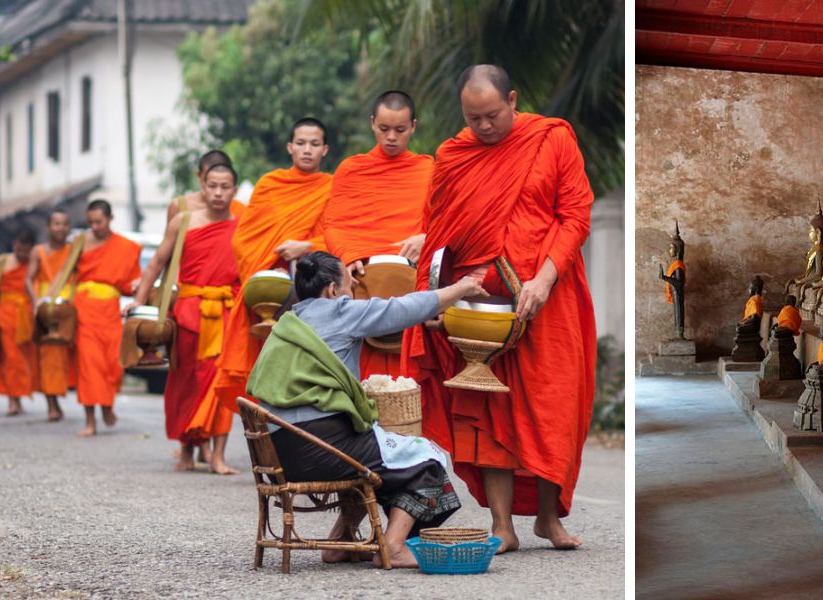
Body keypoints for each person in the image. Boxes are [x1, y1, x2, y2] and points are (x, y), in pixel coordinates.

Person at [406, 64, 597, 553]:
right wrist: (433, 295)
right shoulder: (453, 155)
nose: (484, 127)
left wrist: (544, 278)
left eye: (492, 115)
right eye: (474, 119)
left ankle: (549, 519)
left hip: (549, 296)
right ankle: (502, 525)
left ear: (512, 99)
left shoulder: (551, 139)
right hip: (477, 306)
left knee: (555, 400)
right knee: (486, 406)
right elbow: (439, 232)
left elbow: (574, 215)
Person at [246, 251, 488, 568]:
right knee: (426, 458)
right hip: (321, 448)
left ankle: (340, 541)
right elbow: (402, 309)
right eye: (349, 287)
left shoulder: (286, 323)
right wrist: (462, 287)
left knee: (369, 450)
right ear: (332, 292)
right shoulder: (341, 312)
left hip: (280, 453)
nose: (352, 294)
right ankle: (394, 546)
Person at [186, 117, 335, 450]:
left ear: (324, 149)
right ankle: (270, 446)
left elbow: (343, 235)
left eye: (314, 144)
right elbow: (246, 240)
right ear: (290, 147)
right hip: (275, 294)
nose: (307, 150)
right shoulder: (270, 185)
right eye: (301, 143)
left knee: (307, 372)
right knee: (269, 370)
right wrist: (272, 264)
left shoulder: (333, 186)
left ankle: (310, 445)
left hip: (318, 296)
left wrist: (306, 245)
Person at [322, 91, 434, 378]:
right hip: (364, 284)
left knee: (412, 380)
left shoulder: (428, 169)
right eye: (384, 129)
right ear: (373, 123)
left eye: (400, 130)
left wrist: (427, 238)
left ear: (414, 126)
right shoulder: (352, 170)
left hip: (412, 284)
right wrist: (348, 256)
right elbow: (334, 224)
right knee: (364, 375)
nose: (391, 138)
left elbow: (447, 222)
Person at [138, 163, 241, 472]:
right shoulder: (183, 222)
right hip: (187, 311)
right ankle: (186, 448)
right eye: (213, 186)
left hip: (225, 311)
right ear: (203, 187)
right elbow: (157, 262)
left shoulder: (243, 224)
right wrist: (137, 302)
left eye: (225, 187)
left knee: (220, 383)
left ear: (234, 191)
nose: (219, 193)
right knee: (185, 382)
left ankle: (218, 456)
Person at [71, 200, 142, 437]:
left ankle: (107, 406)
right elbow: (68, 276)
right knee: (89, 365)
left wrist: (139, 289)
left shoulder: (126, 247)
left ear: (110, 218)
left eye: (98, 222)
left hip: (111, 311)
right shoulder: (80, 243)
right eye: (90, 222)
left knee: (113, 364)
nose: (94, 226)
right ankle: (90, 421)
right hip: (85, 310)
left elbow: (128, 284)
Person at [27, 210, 77, 422]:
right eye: (56, 223)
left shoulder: (73, 250)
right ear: (48, 226)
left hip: (69, 306)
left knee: (70, 354)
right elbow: (28, 279)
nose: (60, 228)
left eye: (64, 224)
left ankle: (66, 395)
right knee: (48, 355)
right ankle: (52, 404)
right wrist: (37, 302)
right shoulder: (38, 251)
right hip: (46, 307)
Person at [0, 228, 40, 416]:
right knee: (9, 358)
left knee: (24, 358)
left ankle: (20, 397)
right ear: (14, 245)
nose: (22, 254)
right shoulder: (2, 261)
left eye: (26, 251)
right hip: (6, 314)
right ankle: (13, 401)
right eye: (19, 249)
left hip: (26, 315)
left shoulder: (33, 263)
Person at [166, 150, 244, 225]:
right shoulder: (179, 206)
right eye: (212, 184)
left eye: (224, 186)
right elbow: (171, 237)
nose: (217, 192)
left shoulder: (241, 211)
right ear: (199, 176)